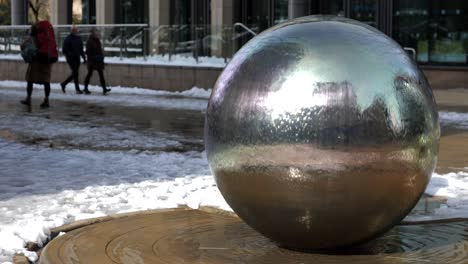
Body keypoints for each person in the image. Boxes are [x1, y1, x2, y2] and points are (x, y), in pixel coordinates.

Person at [20, 22, 57, 108]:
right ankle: (46, 100)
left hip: (36, 62)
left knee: (30, 79)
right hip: (47, 61)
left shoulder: (32, 37)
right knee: (46, 81)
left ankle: (28, 99)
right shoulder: (49, 37)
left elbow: (23, 47)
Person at [84, 28, 110, 95]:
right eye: (95, 32)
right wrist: (94, 58)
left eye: (97, 32)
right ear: (92, 33)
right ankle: (85, 88)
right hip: (92, 61)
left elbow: (99, 50)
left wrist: (101, 57)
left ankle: (104, 88)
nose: (97, 33)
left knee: (101, 74)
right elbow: (88, 52)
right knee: (89, 74)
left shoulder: (97, 40)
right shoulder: (89, 41)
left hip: (98, 61)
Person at [61, 26, 86, 94]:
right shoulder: (68, 39)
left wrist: (84, 58)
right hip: (71, 59)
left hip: (77, 58)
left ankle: (64, 84)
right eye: (74, 30)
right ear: (71, 31)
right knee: (75, 73)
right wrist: (70, 55)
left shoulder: (78, 38)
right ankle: (77, 89)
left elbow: (81, 49)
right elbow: (64, 50)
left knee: (75, 73)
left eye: (76, 30)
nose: (75, 31)